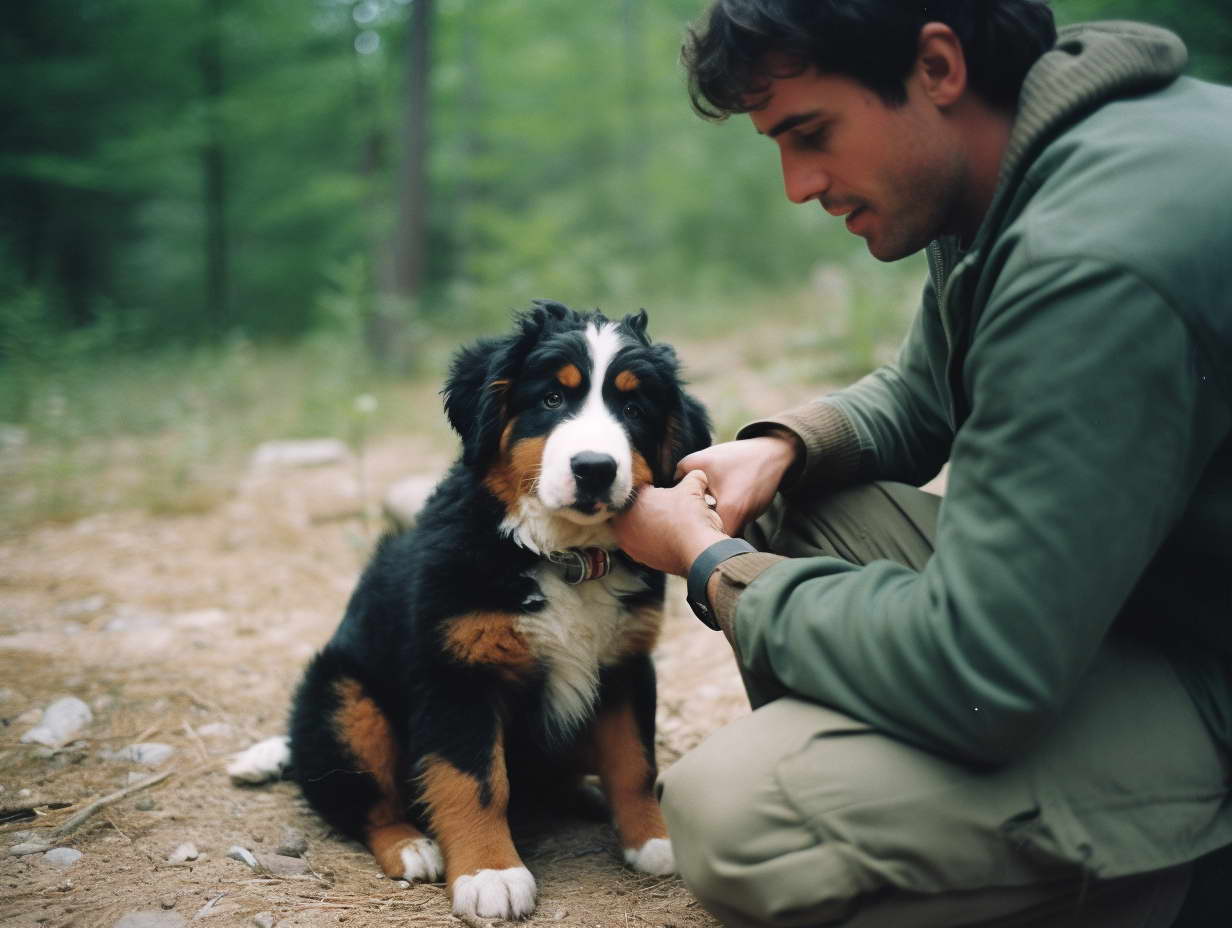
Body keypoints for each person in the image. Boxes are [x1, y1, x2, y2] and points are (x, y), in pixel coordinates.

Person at [612, 2, 1232, 925]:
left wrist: (713, 568)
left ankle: (1169, 874)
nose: (796, 184)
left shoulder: (1091, 255)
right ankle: (939, 799)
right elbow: (925, 392)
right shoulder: (1023, 164)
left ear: (937, 67)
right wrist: (780, 447)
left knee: (743, 819)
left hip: (1202, 665)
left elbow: (982, 666)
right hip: (1160, 596)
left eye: (810, 133)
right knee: (788, 500)